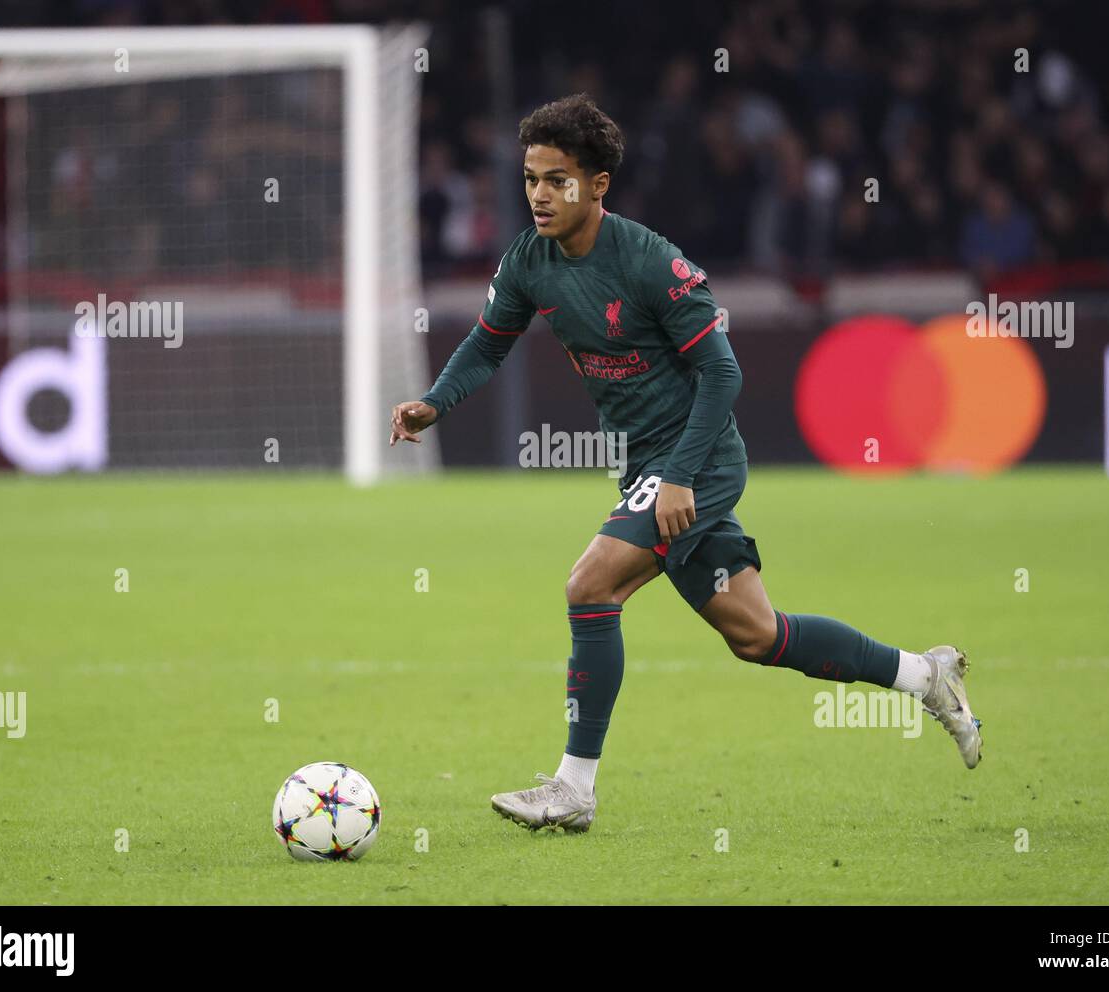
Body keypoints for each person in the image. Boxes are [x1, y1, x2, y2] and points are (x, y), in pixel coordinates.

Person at [390, 94, 982, 833]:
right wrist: (435, 402)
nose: (540, 194)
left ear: (598, 185)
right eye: (531, 179)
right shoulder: (529, 261)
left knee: (590, 584)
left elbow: (723, 375)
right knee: (757, 634)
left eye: (558, 179)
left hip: (694, 459)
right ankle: (926, 676)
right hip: (648, 463)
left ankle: (574, 790)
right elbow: (487, 342)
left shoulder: (649, 263)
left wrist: (677, 478)